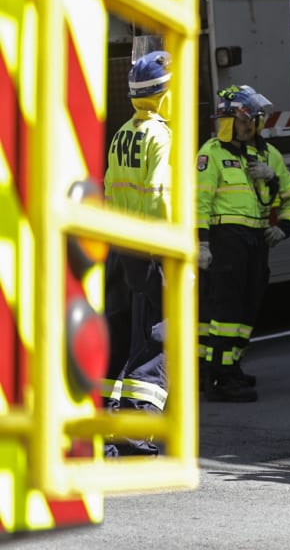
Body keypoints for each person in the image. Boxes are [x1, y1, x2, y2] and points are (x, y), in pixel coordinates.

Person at [197, 85, 290, 402]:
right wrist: (201, 243)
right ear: (228, 121)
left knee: (248, 309)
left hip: (256, 241)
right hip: (225, 238)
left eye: (253, 119)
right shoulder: (211, 153)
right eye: (244, 119)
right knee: (225, 311)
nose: (250, 125)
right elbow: (199, 202)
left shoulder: (268, 155)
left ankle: (232, 367)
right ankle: (218, 377)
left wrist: (283, 225)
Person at [101, 50, 173, 455]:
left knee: (123, 331)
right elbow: (162, 193)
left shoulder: (122, 133)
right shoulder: (159, 135)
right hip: (152, 248)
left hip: (124, 245)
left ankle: (107, 423)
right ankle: (135, 431)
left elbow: (111, 188)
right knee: (157, 336)